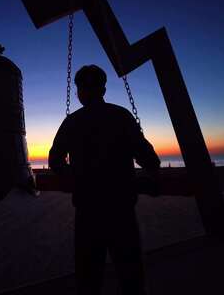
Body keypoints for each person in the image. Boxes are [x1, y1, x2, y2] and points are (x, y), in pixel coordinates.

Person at [49, 65, 160, 295]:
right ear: (103, 88)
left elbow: (55, 161)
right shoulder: (120, 116)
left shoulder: (73, 122)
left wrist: (77, 179)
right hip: (122, 207)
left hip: (87, 209)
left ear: (80, 91)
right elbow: (150, 159)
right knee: (131, 275)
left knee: (88, 277)